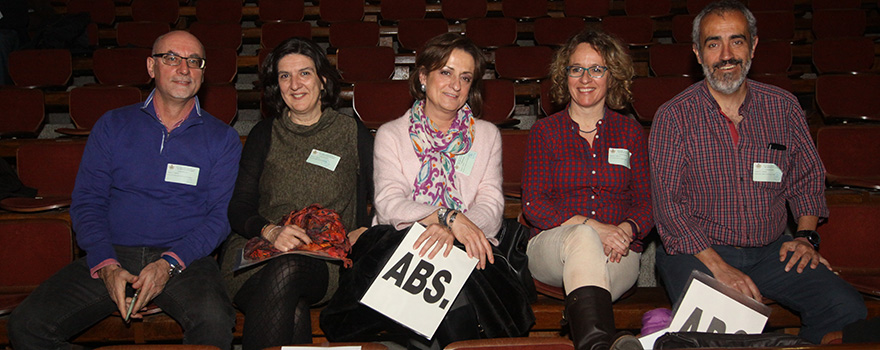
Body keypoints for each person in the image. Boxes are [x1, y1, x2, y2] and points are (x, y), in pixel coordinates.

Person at [649, 0, 866, 344]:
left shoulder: (783, 107)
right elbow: (669, 207)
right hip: (698, 251)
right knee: (724, 320)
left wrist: (806, 237)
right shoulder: (674, 117)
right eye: (713, 43)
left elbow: (807, 178)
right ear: (697, 53)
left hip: (772, 251)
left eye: (736, 41)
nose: (726, 54)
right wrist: (720, 268)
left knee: (845, 307)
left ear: (753, 45)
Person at [8, 30, 240, 350]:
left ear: (203, 71)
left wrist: (169, 263)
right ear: (151, 66)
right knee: (26, 327)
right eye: (171, 58)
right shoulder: (113, 125)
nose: (184, 69)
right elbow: (88, 201)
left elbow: (220, 217)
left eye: (194, 61)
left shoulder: (222, 138)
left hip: (185, 260)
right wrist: (105, 263)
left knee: (215, 324)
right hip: (114, 252)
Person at [320, 32, 534, 349]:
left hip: (469, 250)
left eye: (465, 77)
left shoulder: (486, 135)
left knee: (457, 273)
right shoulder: (392, 134)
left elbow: (490, 205)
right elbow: (389, 205)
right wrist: (446, 219)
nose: (455, 85)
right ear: (423, 76)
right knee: (448, 283)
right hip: (399, 249)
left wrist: (456, 229)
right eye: (445, 72)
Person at [220, 36, 373, 350]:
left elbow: (381, 197)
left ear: (323, 80)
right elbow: (239, 206)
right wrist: (272, 231)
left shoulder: (350, 133)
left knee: (287, 269)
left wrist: (365, 230)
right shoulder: (265, 133)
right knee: (293, 310)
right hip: (257, 252)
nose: (295, 84)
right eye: (284, 76)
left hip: (321, 258)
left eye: (304, 73)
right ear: (277, 86)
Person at [521, 28, 650, 350]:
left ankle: (594, 343)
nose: (585, 78)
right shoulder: (545, 132)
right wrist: (595, 228)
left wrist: (623, 229)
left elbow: (647, 203)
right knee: (583, 236)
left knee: (590, 251)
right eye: (576, 69)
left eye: (596, 69)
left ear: (612, 76)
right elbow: (534, 204)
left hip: (619, 250)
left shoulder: (630, 132)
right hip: (553, 246)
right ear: (564, 76)